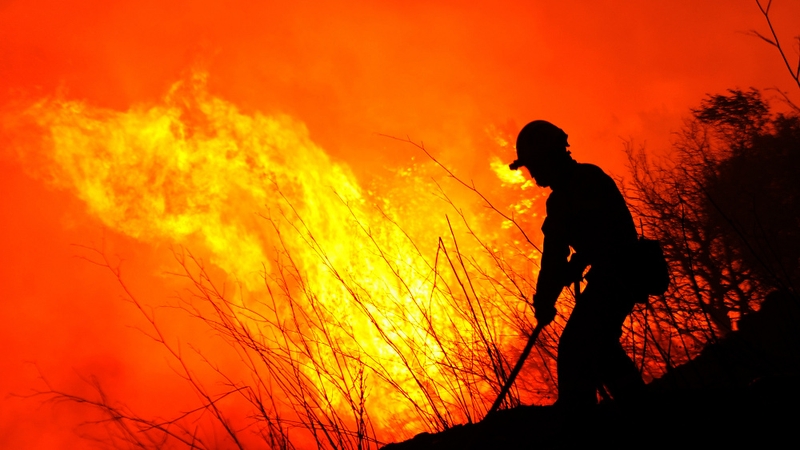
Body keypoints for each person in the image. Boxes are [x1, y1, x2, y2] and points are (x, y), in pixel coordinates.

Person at [508, 120, 645, 408]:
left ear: (548, 158)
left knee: (576, 347)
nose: (532, 174)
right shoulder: (584, 181)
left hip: (617, 275)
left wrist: (547, 298)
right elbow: (562, 252)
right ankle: (636, 406)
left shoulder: (576, 188)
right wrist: (573, 268)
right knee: (600, 346)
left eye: (533, 165)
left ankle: (579, 419)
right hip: (619, 274)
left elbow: (556, 254)